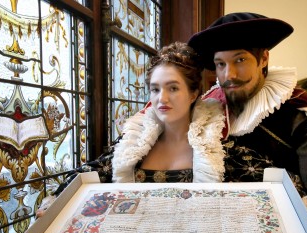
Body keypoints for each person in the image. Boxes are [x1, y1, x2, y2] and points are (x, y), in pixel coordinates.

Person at [188, 12, 307, 233]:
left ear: (264, 58)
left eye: (240, 60)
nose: (228, 74)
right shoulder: (207, 109)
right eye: (220, 64)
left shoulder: (300, 112)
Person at [42, 41, 225, 199]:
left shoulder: (216, 147)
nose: (162, 98)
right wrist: (56, 203)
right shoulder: (133, 141)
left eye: (173, 88)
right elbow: (90, 172)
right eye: (155, 89)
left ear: (193, 94)